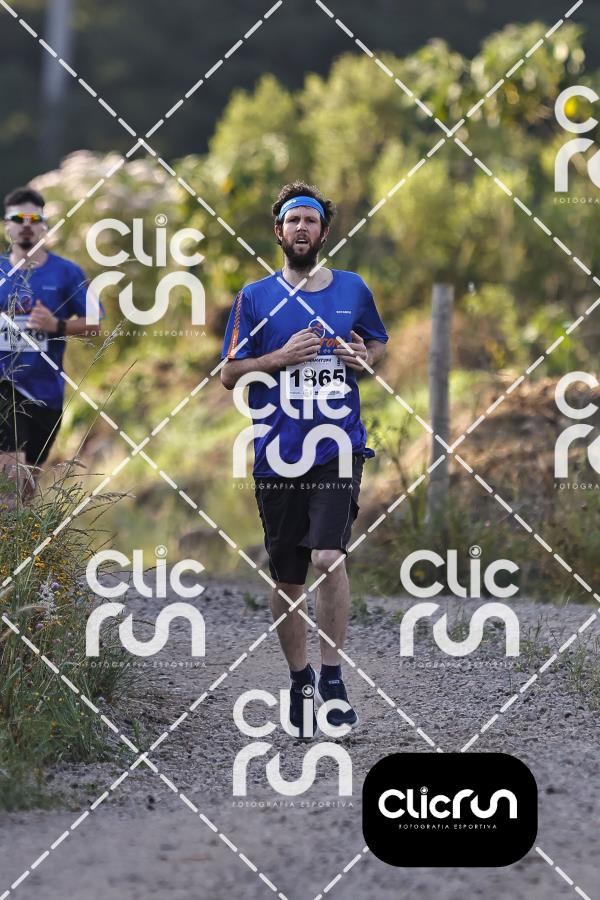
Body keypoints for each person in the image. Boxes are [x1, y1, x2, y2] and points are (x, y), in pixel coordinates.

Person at [220, 181, 388, 738]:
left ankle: (334, 680)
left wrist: (363, 355)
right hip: (277, 453)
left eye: (310, 221)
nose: (301, 228)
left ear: (323, 232)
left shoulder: (353, 289)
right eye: (292, 220)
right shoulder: (254, 298)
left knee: (328, 557)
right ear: (278, 231)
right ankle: (301, 681)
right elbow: (229, 373)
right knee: (288, 578)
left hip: (338, 446)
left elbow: (375, 344)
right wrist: (279, 357)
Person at [0, 186, 99, 502]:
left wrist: (57, 325)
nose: (26, 225)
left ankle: (17, 535)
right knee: (11, 476)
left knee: (25, 490)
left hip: (46, 393)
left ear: (44, 225)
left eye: (34, 219)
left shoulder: (67, 272)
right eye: (19, 218)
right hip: (5, 384)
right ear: (7, 225)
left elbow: (95, 324)